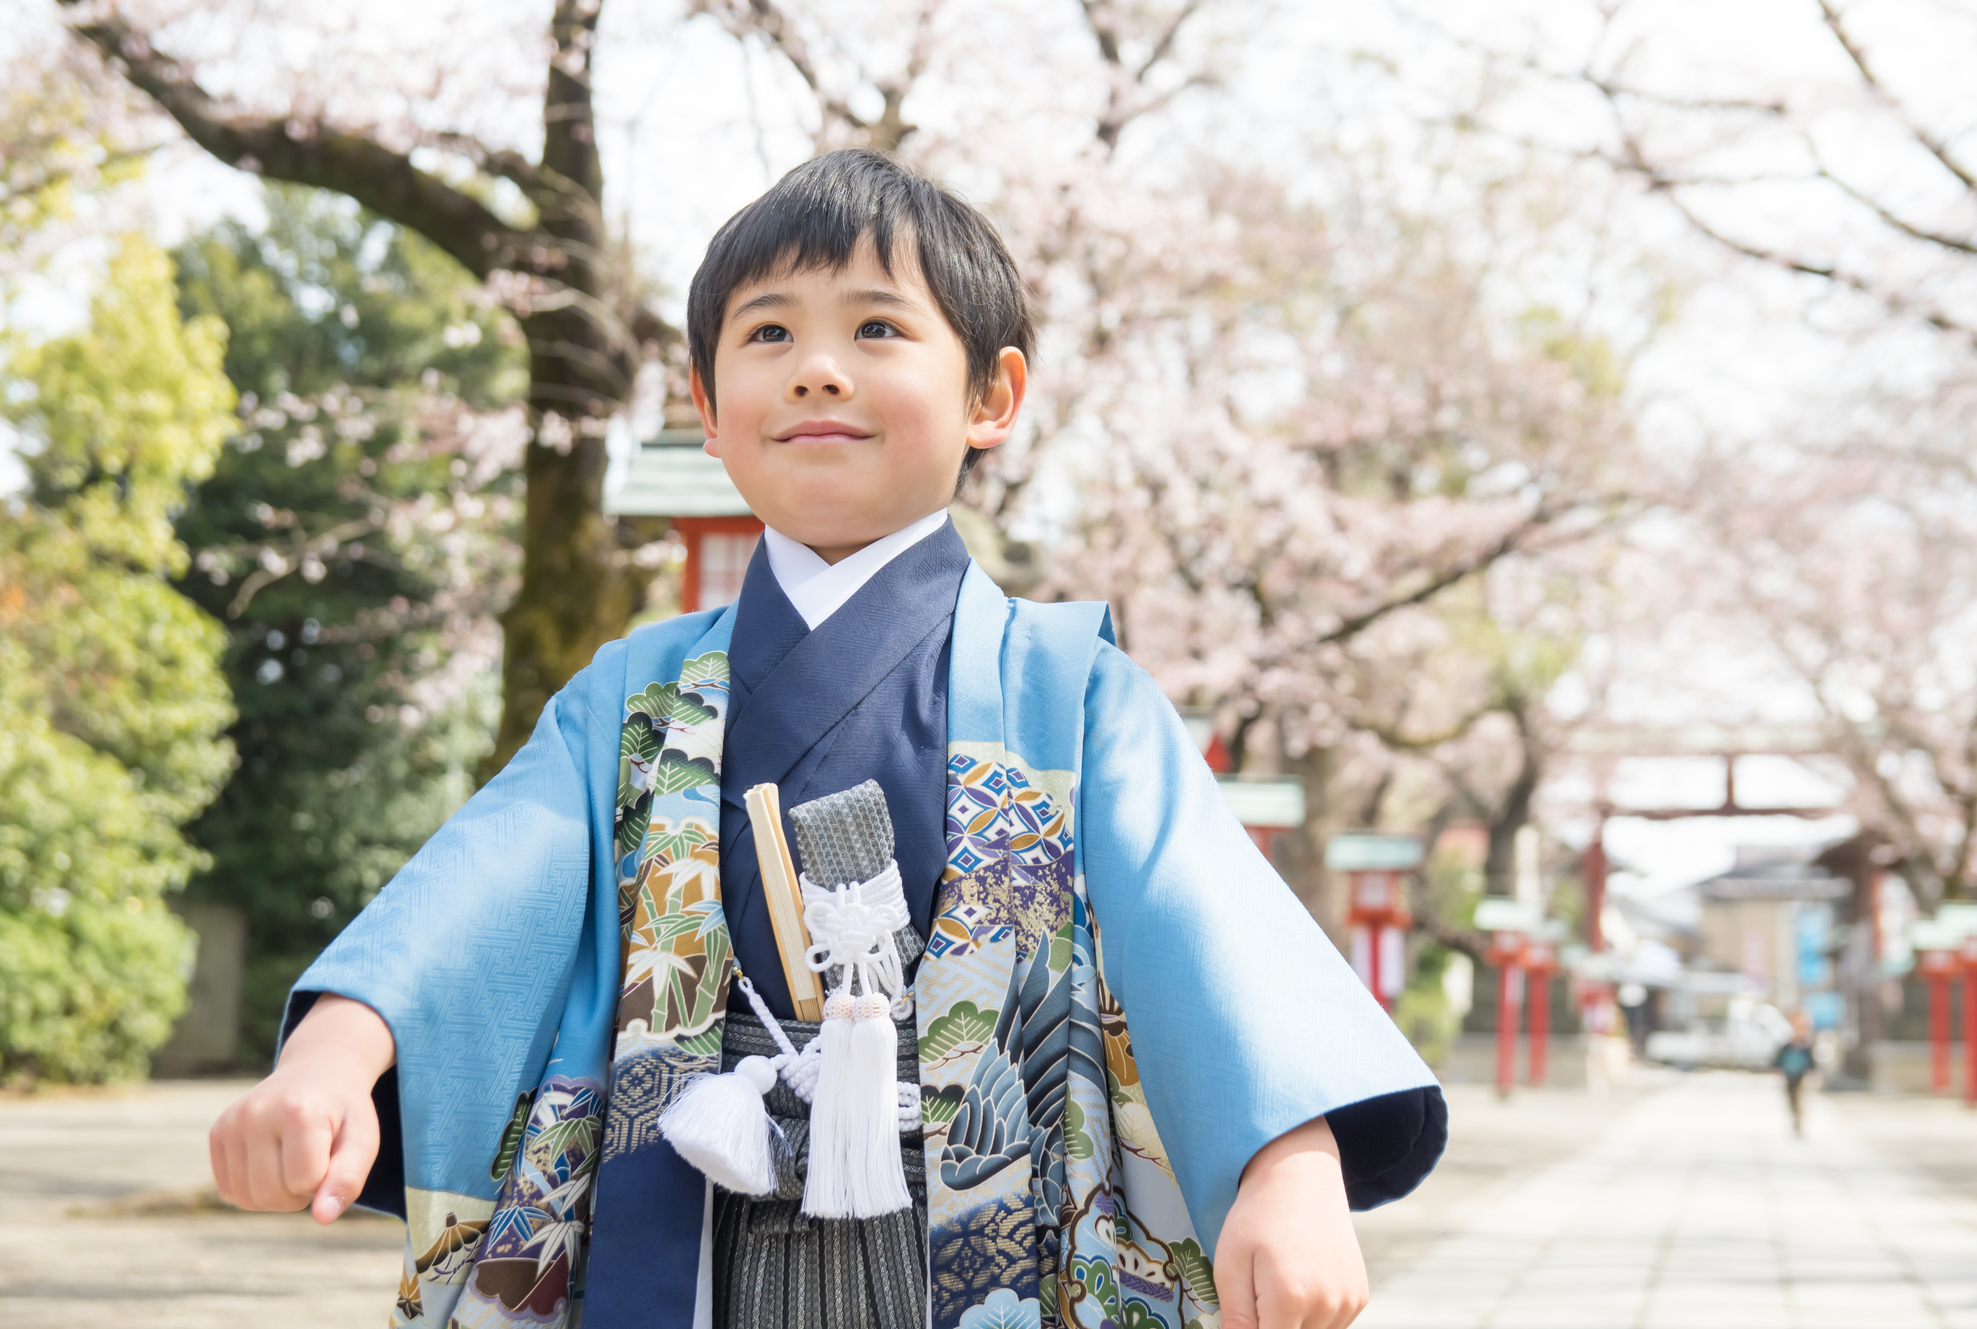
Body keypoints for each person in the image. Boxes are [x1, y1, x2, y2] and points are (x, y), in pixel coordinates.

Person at [207, 149, 1446, 1329]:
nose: (814, 370)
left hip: (990, 1215)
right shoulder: (631, 697)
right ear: (705, 406)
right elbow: (486, 885)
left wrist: (1287, 1163)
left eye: (874, 328)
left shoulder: (1072, 692)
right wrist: (334, 1048)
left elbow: (1203, 929)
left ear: (990, 398)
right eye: (766, 335)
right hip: (691, 1206)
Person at [1775, 1010, 1817, 1136]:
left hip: (1801, 1075)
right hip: (1789, 1074)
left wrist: (1813, 1071)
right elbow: (1780, 1057)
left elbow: (1811, 1061)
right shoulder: (1788, 1045)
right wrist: (1777, 1067)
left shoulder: (1805, 1047)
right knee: (1791, 1099)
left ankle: (1798, 1120)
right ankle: (1794, 1117)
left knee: (1799, 1098)